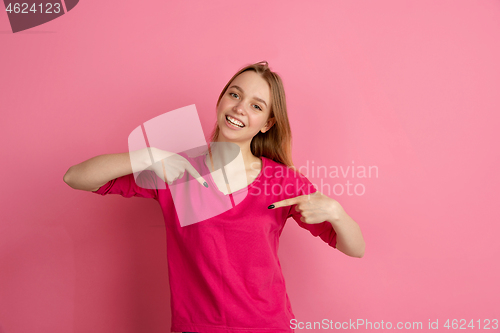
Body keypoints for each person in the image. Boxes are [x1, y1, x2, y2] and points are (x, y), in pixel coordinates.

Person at [64, 61, 365, 333]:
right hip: (196, 327)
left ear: (268, 124)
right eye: (235, 95)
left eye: (256, 106)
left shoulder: (282, 181)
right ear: (221, 99)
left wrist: (337, 212)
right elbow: (76, 177)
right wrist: (148, 156)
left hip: (268, 327)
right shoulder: (175, 171)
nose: (239, 108)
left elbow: (355, 248)